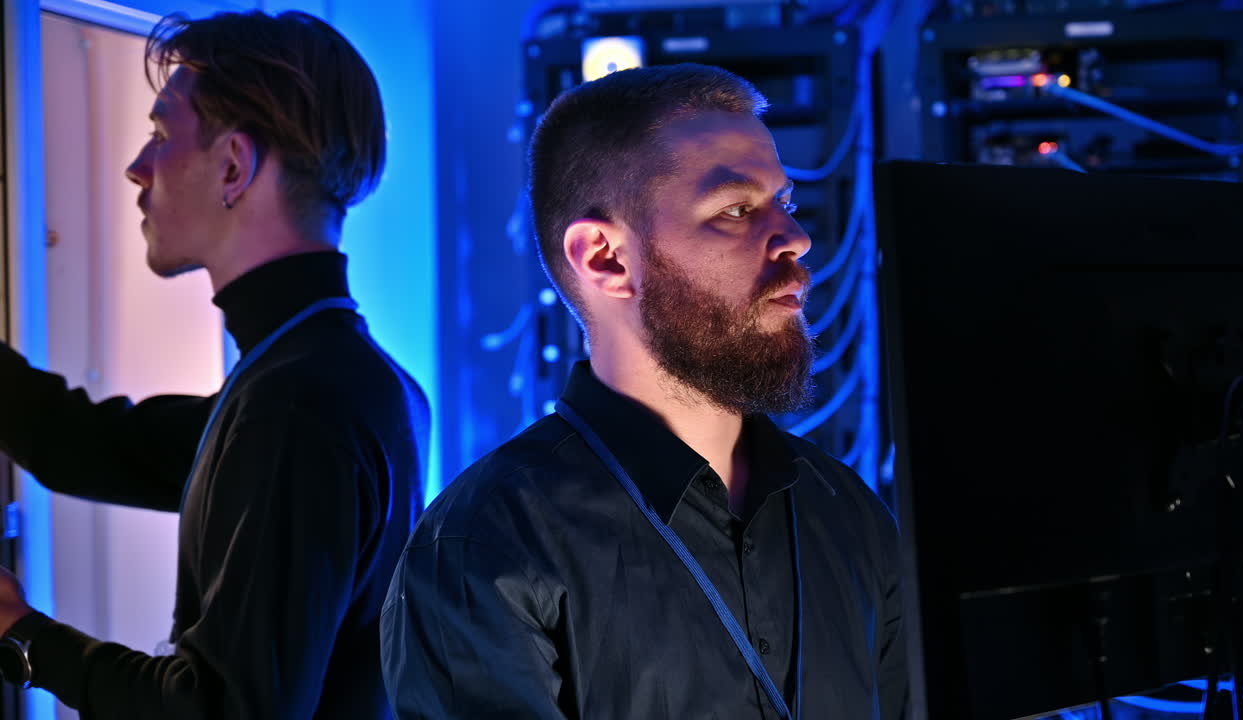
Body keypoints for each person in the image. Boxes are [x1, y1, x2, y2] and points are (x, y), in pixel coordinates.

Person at [381, 63, 906, 719]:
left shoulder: (848, 515)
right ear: (605, 258)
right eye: (738, 210)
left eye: (786, 203)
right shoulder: (486, 544)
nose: (796, 238)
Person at [0, 10, 429, 718]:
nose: (138, 166)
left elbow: (226, 710)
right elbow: (93, 448)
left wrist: (21, 634)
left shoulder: (297, 401)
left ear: (233, 165)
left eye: (163, 134)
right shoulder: (340, 377)